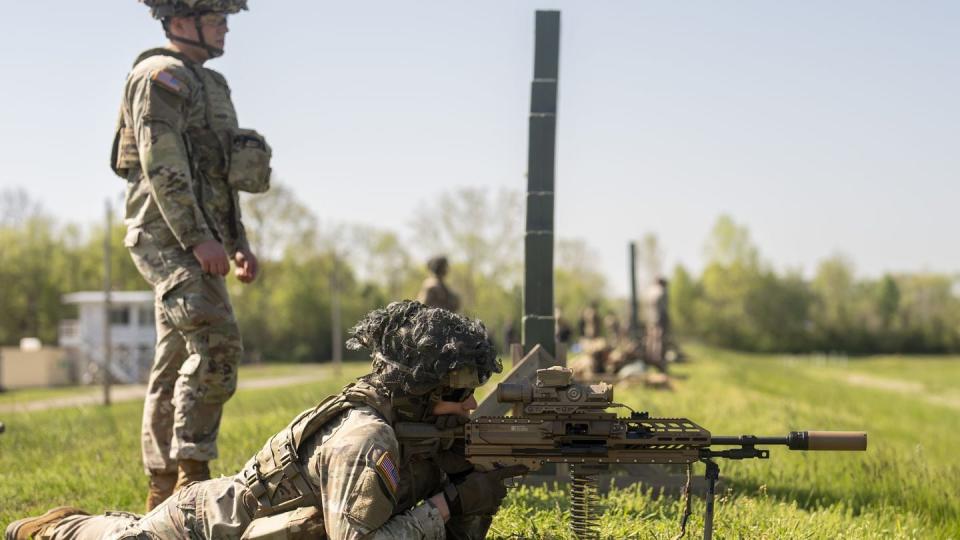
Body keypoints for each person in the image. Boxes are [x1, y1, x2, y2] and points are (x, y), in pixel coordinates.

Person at [6, 302, 524, 540]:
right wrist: (447, 503)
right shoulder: (366, 440)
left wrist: (460, 479)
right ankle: (58, 527)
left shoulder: (410, 429)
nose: (471, 408)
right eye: (459, 394)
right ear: (421, 390)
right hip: (201, 529)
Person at [110, 0, 273, 510]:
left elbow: (219, 176)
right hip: (167, 234)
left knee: (176, 357)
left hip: (200, 235)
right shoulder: (160, 76)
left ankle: (162, 488)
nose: (225, 28)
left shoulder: (214, 86)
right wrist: (196, 239)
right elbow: (164, 165)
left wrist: (235, 241)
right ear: (181, 22)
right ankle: (192, 474)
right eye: (216, 18)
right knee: (217, 342)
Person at [644, 277, 670, 371]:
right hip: (659, 318)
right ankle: (658, 361)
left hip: (650, 318)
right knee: (659, 340)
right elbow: (664, 307)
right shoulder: (662, 291)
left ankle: (650, 358)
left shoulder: (650, 291)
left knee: (651, 339)